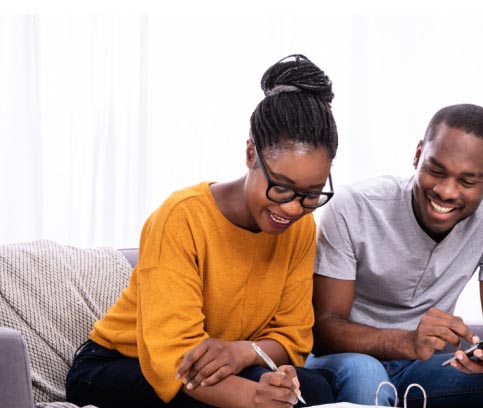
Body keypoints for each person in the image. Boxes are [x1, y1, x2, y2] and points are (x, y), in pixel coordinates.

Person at [66, 54, 339, 408]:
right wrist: (255, 395)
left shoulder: (300, 227)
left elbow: (294, 339)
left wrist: (242, 353)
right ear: (250, 153)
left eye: (311, 194)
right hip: (119, 366)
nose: (291, 208)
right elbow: (172, 360)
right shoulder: (181, 218)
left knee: (314, 389)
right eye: (281, 187)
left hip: (216, 367)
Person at [305, 104, 483, 407]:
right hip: (345, 362)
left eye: (467, 181)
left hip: (423, 367)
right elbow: (324, 329)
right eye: (435, 171)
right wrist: (407, 341)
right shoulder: (355, 205)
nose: (446, 191)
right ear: (417, 155)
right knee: (366, 372)